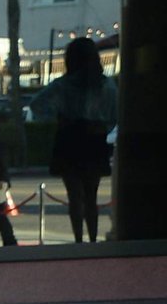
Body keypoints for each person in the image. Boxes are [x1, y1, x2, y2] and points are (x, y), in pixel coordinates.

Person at [32, 37, 117, 242]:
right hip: (94, 139)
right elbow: (116, 113)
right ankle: (93, 239)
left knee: (74, 195)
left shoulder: (63, 85)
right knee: (91, 195)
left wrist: (59, 117)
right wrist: (103, 124)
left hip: (70, 137)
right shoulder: (105, 84)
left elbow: (37, 105)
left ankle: (78, 239)